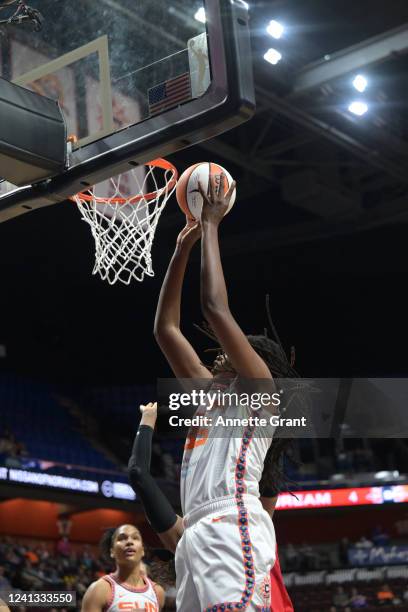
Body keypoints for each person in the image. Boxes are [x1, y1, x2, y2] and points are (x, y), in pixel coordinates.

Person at [147, 171, 300, 610]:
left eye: (230, 350)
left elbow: (215, 307)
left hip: (233, 525)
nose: (217, 354)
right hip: (194, 536)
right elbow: (165, 329)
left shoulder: (260, 394)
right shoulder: (208, 397)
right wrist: (181, 250)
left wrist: (211, 225)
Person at [129, 403, 294, 612]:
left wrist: (147, 421)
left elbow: (138, 474)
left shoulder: (184, 538)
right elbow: (271, 470)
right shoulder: (247, 520)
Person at [81, 524, 165, 611]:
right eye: (122, 538)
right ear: (112, 551)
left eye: (135, 538)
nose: (129, 542)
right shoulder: (99, 590)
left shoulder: (158, 592)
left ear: (143, 550)